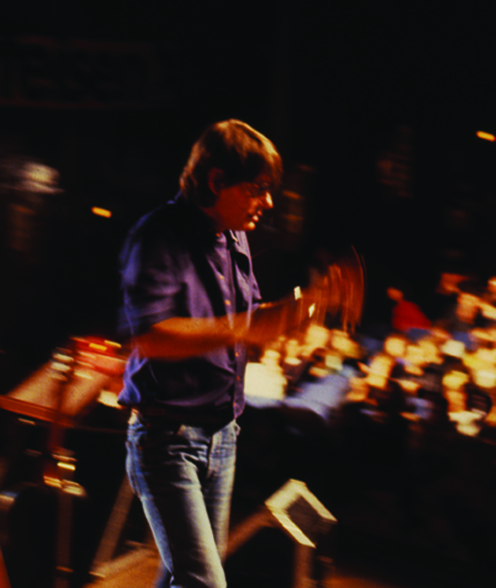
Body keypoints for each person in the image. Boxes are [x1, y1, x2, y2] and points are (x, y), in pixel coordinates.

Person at [118, 120, 340, 588]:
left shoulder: (234, 235)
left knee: (185, 578)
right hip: (168, 441)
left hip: (223, 436)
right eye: (258, 189)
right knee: (204, 582)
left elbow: (248, 320)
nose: (269, 202)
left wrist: (303, 309)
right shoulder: (157, 235)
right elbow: (151, 337)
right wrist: (253, 325)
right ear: (217, 180)